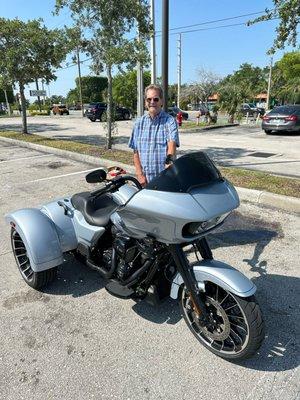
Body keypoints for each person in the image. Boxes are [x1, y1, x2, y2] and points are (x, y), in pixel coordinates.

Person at [128, 84, 180, 186]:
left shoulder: (169, 121)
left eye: (156, 99)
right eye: (149, 99)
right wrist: (139, 175)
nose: (152, 102)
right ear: (145, 102)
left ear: (161, 101)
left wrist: (168, 168)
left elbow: (171, 145)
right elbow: (135, 152)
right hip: (145, 181)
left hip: (164, 179)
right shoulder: (138, 123)